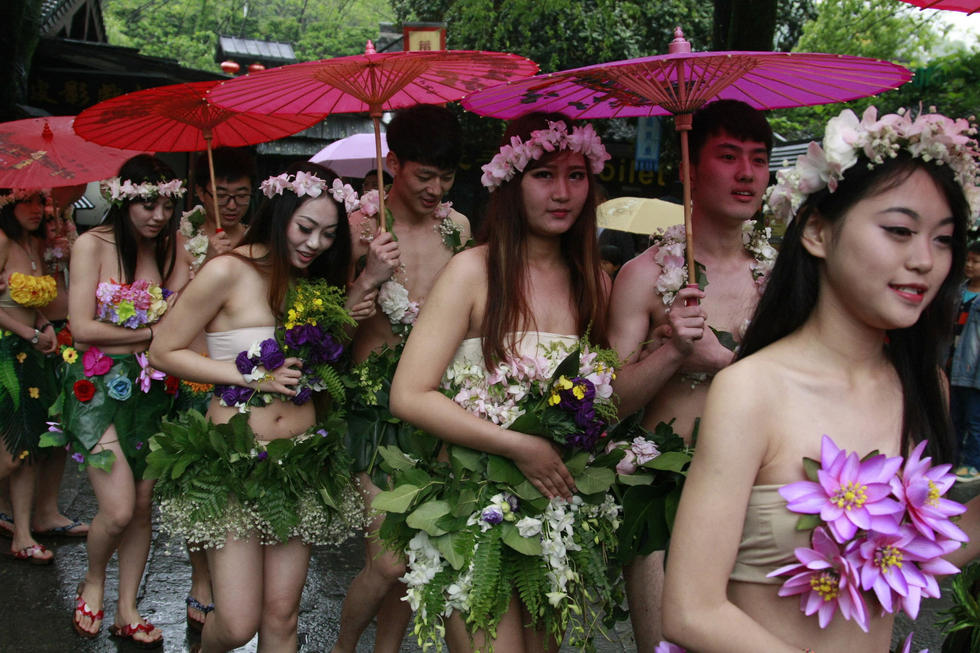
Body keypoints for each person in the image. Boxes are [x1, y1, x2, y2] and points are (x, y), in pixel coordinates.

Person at [662, 107, 980, 652]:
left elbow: (908, 562)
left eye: (945, 239)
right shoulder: (751, 390)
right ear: (816, 232)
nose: (925, 260)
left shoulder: (926, 386)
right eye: (900, 231)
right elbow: (691, 609)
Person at [388, 112, 619, 651]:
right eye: (543, 175)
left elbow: (608, 398)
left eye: (576, 175)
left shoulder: (596, 284)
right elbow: (409, 394)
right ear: (510, 182)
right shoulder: (472, 271)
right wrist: (517, 445)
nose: (562, 192)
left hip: (558, 513)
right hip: (471, 508)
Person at [147, 162, 375, 652]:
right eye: (306, 228)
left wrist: (364, 284)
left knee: (283, 615)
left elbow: (321, 359)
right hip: (235, 461)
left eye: (329, 235)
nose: (315, 244)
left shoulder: (313, 282)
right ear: (280, 214)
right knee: (236, 623)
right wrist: (249, 374)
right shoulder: (229, 270)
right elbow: (163, 350)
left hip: (300, 462)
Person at [606, 99, 774, 649]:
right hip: (663, 494)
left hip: (762, 491)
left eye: (758, 158)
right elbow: (608, 404)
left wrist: (722, 363)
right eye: (728, 156)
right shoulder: (642, 275)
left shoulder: (787, 278)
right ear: (689, 170)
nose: (747, 173)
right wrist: (673, 351)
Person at [333, 103, 471, 653]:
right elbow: (329, 336)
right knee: (388, 558)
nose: (436, 189)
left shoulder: (457, 229)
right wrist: (368, 276)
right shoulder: (357, 228)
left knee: (415, 552)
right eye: (424, 176)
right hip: (371, 411)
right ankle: (344, 646)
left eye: (446, 177)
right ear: (393, 163)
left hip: (436, 405)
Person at [58, 154, 191, 647]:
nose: (157, 215)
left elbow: (185, 320)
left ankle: (128, 608)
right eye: (146, 203)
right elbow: (83, 329)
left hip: (153, 389)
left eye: (165, 204)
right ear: (123, 199)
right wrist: (154, 333)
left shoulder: (174, 246)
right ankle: (93, 578)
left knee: (140, 503)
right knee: (115, 509)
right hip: (94, 388)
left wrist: (150, 338)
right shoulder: (91, 245)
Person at [178, 146, 257, 631]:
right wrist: (207, 272)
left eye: (241, 195)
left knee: (227, 487)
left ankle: (224, 574)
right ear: (201, 191)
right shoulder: (182, 239)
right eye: (221, 194)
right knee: (196, 484)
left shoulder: (255, 240)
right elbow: (164, 312)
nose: (231, 206)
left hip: (236, 374)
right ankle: (200, 577)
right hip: (189, 369)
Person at [0, 189, 60, 564]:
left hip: (32, 351)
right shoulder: (2, 241)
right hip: (5, 353)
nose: (38, 210)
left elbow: (32, 304)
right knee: (9, 455)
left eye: (42, 202)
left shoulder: (34, 246)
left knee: (27, 448)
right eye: (28, 202)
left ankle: (22, 535)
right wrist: (29, 333)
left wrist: (43, 325)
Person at [950, 241, 980, 481]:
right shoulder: (958, 291)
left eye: (976, 262)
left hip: (975, 371)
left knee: (975, 419)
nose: (969, 265)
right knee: (954, 416)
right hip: (953, 365)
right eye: (968, 260)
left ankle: (973, 463)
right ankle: (953, 457)